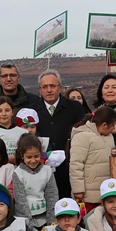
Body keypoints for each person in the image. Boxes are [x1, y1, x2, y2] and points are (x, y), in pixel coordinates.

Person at [32, 70, 85, 198]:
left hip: (69, 169)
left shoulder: (75, 108)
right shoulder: (32, 110)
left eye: (52, 86)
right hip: (41, 170)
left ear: (60, 87)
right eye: (45, 87)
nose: (49, 90)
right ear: (40, 90)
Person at [70, 106, 116, 213]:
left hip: (105, 191)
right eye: (112, 125)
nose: (114, 128)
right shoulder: (82, 137)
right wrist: (78, 190)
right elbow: (76, 165)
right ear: (104, 125)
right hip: (88, 195)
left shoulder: (109, 137)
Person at [12, 134, 58, 231]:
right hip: (26, 222)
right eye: (29, 157)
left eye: (36, 156)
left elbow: (52, 197)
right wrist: (31, 228)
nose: (33, 160)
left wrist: (51, 223)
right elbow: (21, 202)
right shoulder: (18, 173)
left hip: (44, 220)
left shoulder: (47, 171)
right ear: (22, 155)